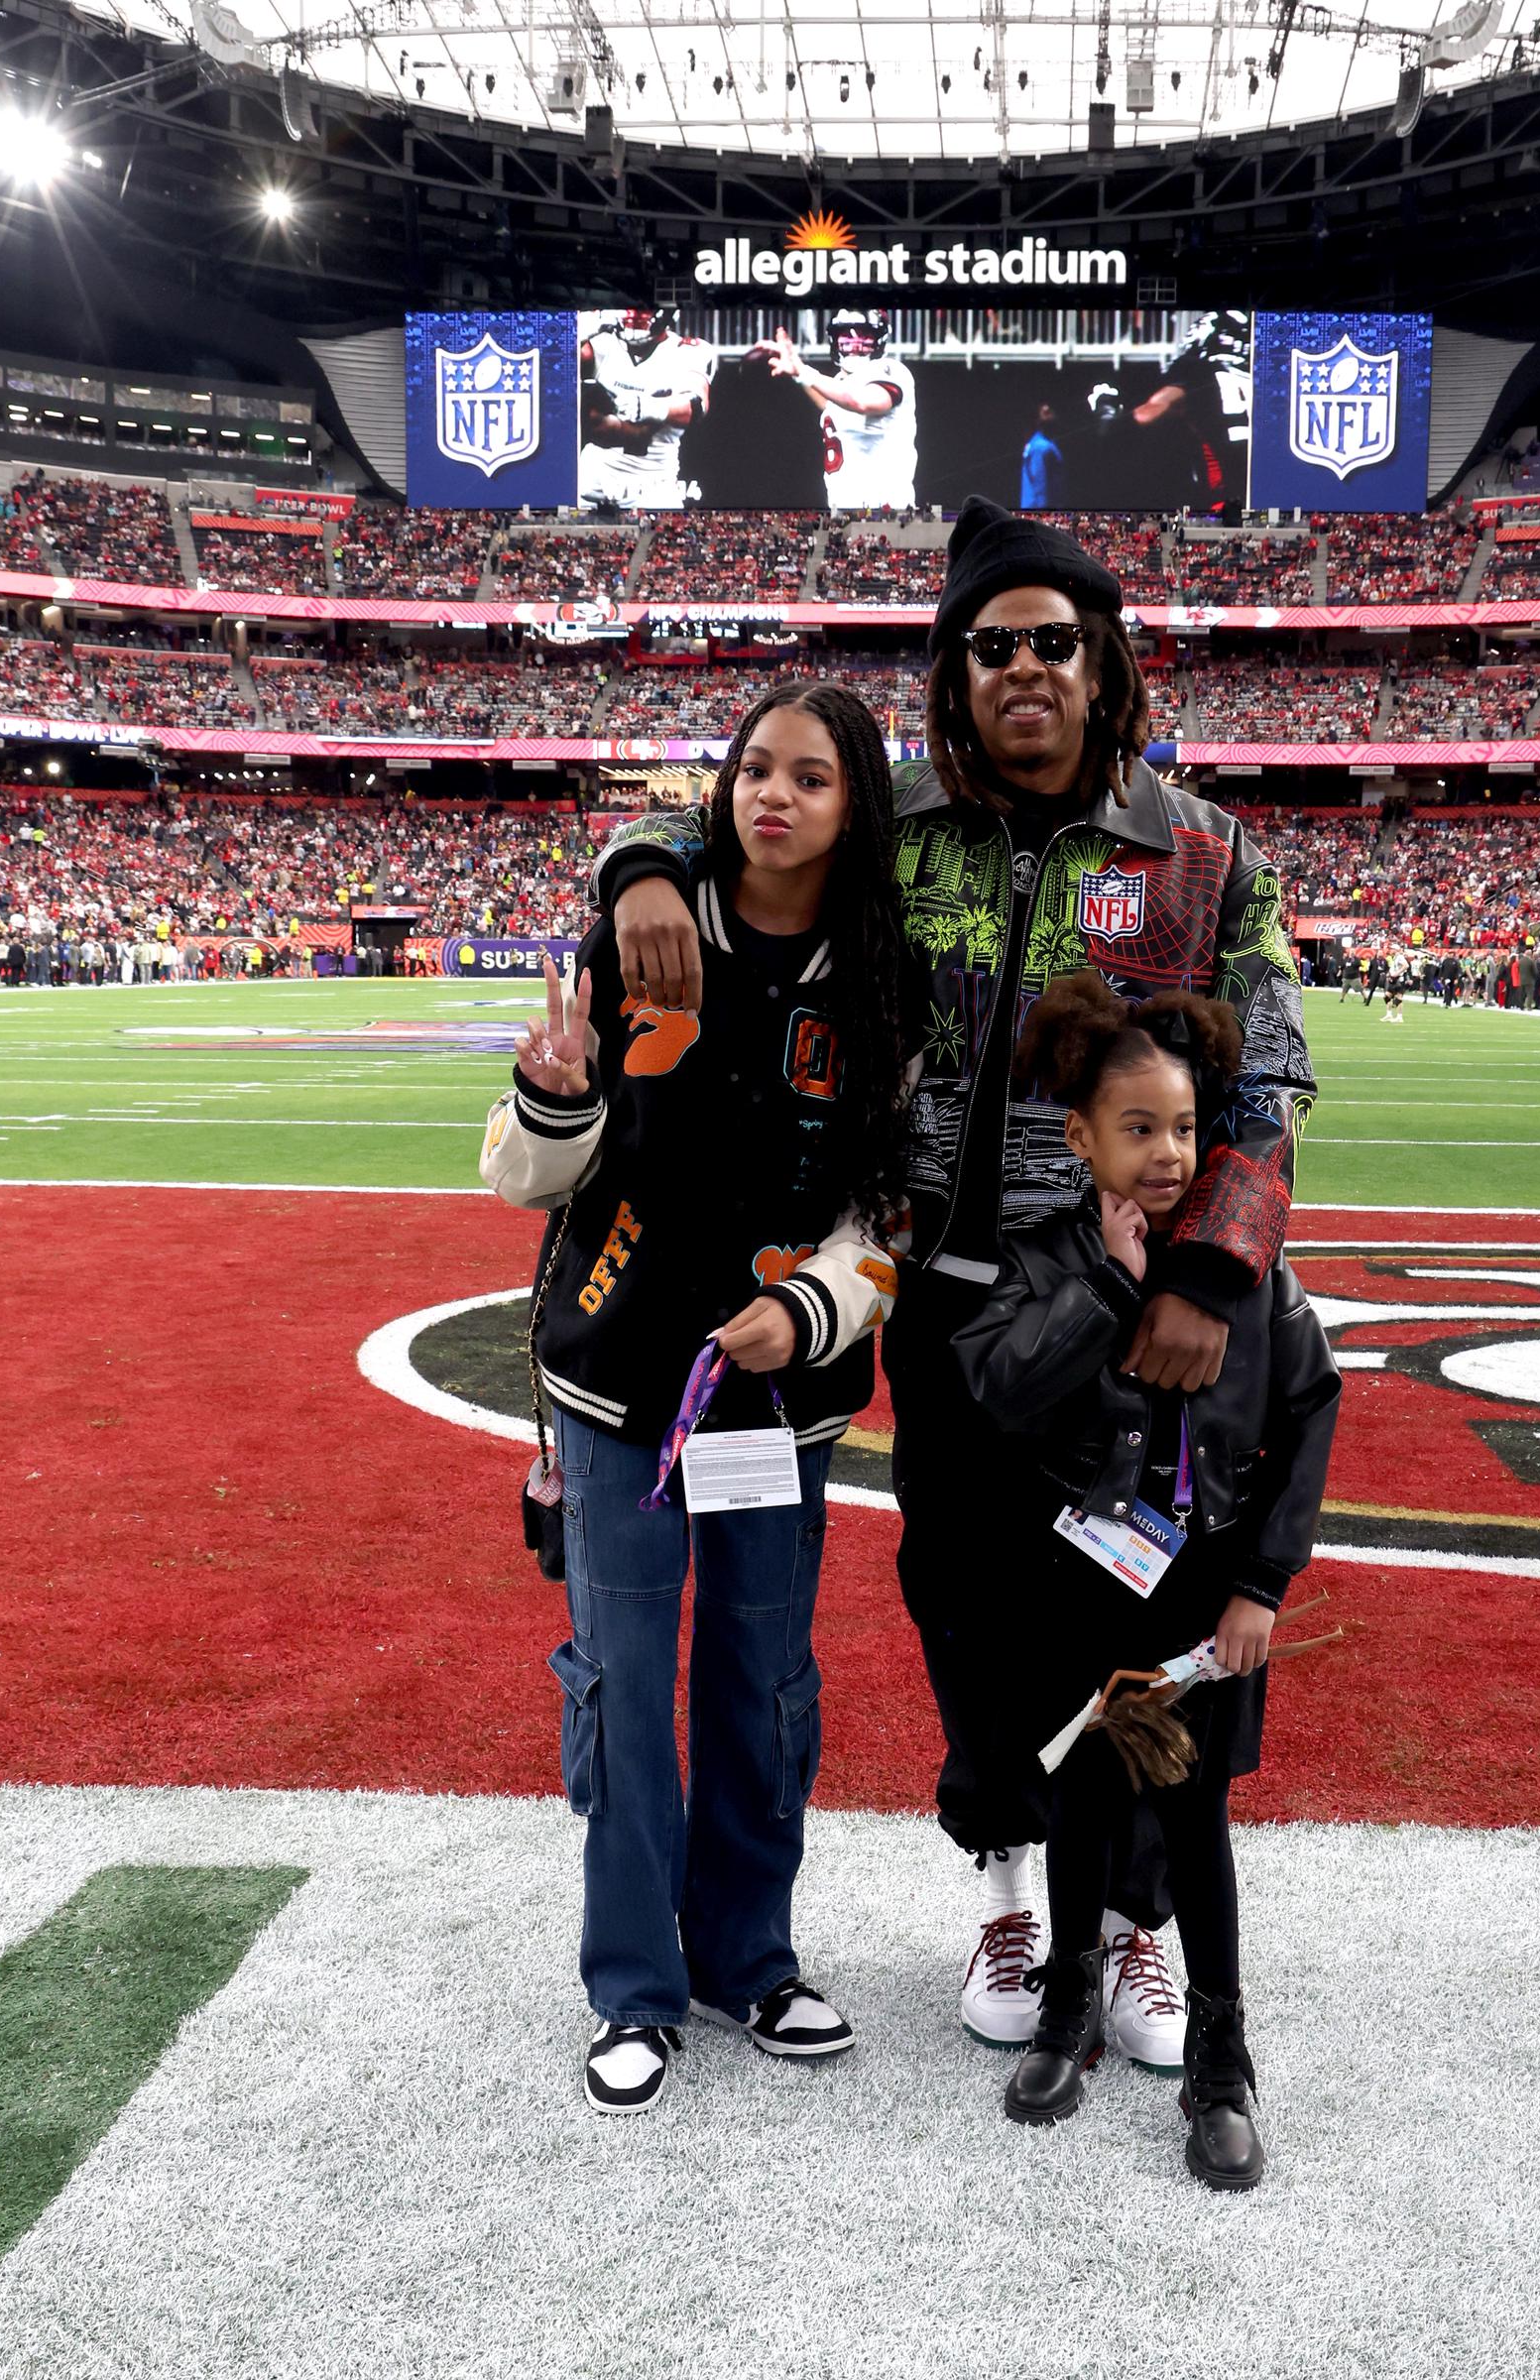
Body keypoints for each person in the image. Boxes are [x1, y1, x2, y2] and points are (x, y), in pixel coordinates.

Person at [590, 498, 1314, 2075]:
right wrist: (639, 860)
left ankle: (1126, 1925)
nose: (1025, 670)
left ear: (1102, 658)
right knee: (965, 1613)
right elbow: (735, 837)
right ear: (954, 671)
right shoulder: (895, 820)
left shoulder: (1200, 852)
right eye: (992, 647)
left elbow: (1268, 1087)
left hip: (1126, 1325)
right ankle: (1003, 1882)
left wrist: (1207, 1269)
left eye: (1055, 640)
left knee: (1146, 1609)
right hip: (939, 1308)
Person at [481, 679, 912, 2115]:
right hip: (616, 1388)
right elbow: (523, 1178)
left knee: (763, 1683)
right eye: (752, 769)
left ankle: (750, 1956)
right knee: (619, 1679)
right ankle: (633, 1987)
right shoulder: (645, 928)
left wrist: (813, 1306)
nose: (771, 795)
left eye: (809, 777)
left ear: (857, 806)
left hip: (781, 1407)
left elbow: (892, 1212)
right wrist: (550, 1095)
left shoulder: (883, 983)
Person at [953, 972, 1338, 2186]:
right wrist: (1105, 1292)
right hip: (1076, 1589)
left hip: (1203, 1591)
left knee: (1193, 1817)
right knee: (1074, 1802)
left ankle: (1222, 2062)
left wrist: (1262, 1585)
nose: (1167, 1154)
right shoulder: (1042, 1257)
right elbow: (997, 1396)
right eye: (1136, 1129)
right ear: (1077, 1138)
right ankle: (1066, 2011)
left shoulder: (1243, 1269)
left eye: (1182, 1127)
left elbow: (1309, 1408)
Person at [769, 309, 918, 514]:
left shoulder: (891, 370)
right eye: (847, 335)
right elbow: (832, 405)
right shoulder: (841, 383)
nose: (855, 343)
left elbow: (861, 402)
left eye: (864, 335)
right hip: (844, 511)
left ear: (879, 339)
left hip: (887, 512)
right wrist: (799, 372)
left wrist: (804, 371)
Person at [577, 306, 717, 512]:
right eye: (626, 308)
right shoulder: (601, 344)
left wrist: (648, 407)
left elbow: (696, 406)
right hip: (594, 482)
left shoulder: (686, 350)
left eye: (642, 309)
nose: (632, 315)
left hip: (652, 485)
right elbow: (545, 370)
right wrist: (570, 334)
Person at [1018, 406, 1065, 512]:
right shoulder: (1041, 447)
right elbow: (1040, 487)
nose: (1052, 415)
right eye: (1047, 413)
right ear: (1038, 419)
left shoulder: (1040, 443)